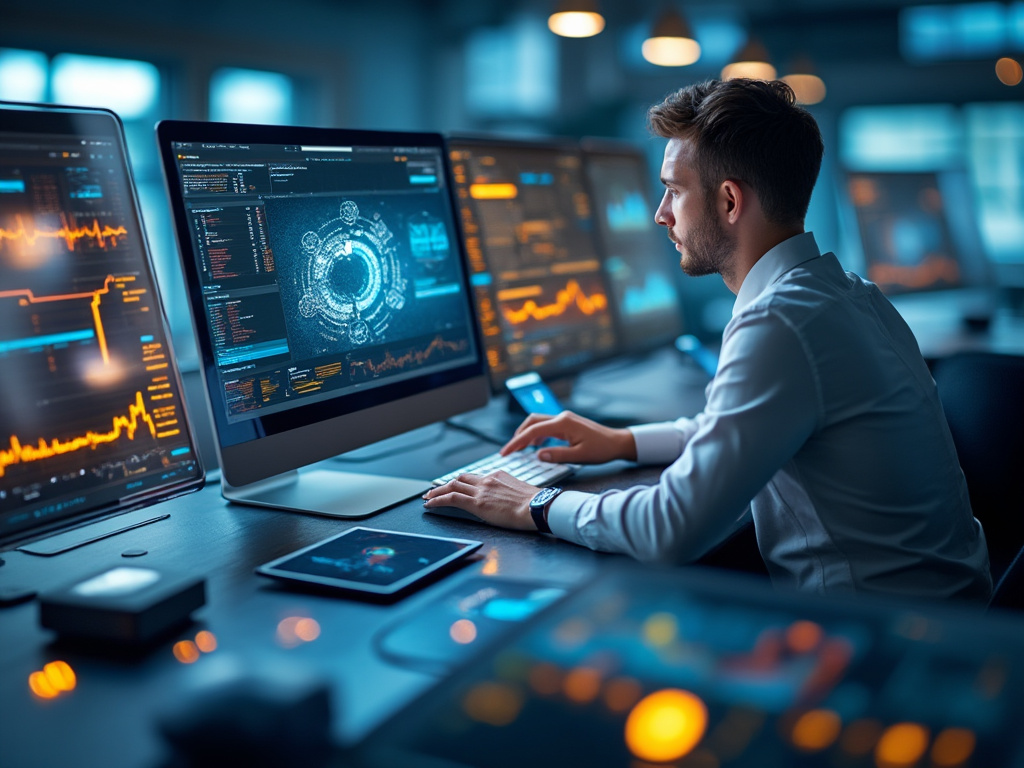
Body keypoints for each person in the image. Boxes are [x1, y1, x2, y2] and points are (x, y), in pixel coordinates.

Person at [424, 78, 992, 602]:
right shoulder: (849, 295)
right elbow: (748, 426)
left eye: (673, 191)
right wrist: (623, 441)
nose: (660, 215)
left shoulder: (780, 323)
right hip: (952, 614)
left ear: (729, 201)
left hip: (883, 641)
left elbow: (670, 529)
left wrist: (534, 502)